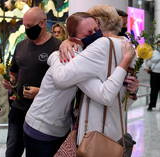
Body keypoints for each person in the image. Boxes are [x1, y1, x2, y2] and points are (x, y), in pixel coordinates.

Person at [24, 12, 137, 157]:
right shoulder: (74, 57)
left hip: (61, 127)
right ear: (74, 37)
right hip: (41, 126)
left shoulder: (88, 55)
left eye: (97, 29)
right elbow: (105, 94)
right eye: (89, 32)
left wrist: (130, 90)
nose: (96, 35)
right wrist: (125, 60)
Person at [57, 5, 139, 144]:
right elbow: (126, 96)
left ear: (98, 22)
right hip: (116, 129)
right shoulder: (128, 47)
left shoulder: (100, 45)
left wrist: (65, 46)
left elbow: (62, 78)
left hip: (96, 131)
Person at [3, 7, 61, 157]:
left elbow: (63, 83)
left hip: (43, 113)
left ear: (42, 23)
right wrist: (12, 83)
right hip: (18, 108)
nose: (26, 29)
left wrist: (40, 91)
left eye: (29, 26)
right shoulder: (21, 45)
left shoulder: (58, 47)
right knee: (12, 150)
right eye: (24, 26)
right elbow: (14, 71)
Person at [146, 46, 160, 111]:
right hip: (154, 74)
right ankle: (151, 105)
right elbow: (147, 61)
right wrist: (148, 67)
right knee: (154, 90)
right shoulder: (153, 52)